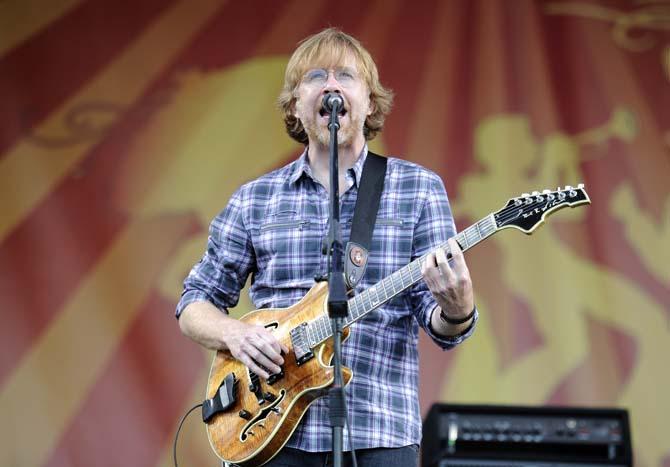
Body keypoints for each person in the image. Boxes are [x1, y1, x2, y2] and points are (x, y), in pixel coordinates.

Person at [176, 28, 477, 467]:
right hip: (269, 432)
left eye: (346, 76)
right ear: (296, 105)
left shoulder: (417, 189)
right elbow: (193, 302)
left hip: (378, 427)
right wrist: (235, 335)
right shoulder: (255, 199)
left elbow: (440, 324)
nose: (331, 85)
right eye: (316, 76)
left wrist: (458, 309)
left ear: (370, 101)